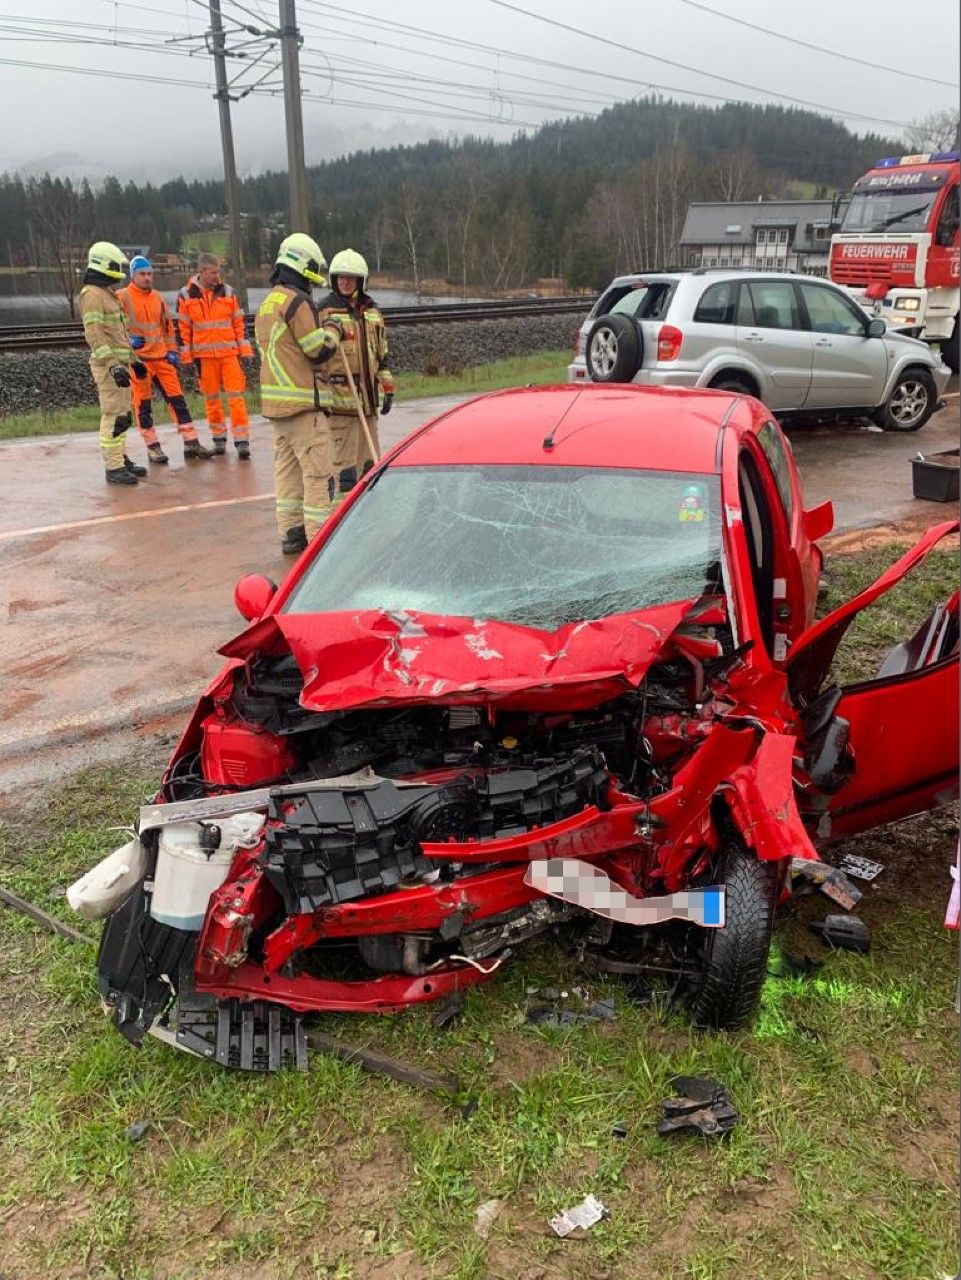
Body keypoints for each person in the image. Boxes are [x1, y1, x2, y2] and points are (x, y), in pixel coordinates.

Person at [254, 233, 351, 554]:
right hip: (304, 407)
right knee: (319, 475)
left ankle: (292, 535)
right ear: (303, 264)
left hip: (277, 406)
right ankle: (319, 543)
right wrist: (334, 330)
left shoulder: (268, 302)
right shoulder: (298, 301)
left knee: (288, 476)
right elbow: (316, 349)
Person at [118, 256, 215, 464]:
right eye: (142, 274)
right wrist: (127, 342)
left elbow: (168, 328)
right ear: (133, 276)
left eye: (149, 274)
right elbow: (112, 327)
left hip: (161, 358)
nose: (146, 278)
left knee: (178, 400)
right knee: (143, 405)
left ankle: (191, 443)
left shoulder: (158, 298)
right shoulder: (123, 297)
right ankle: (153, 447)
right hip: (139, 361)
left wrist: (172, 351)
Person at [317, 248, 393, 498]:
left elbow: (381, 354)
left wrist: (387, 386)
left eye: (350, 277)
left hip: (367, 403)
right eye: (340, 277)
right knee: (345, 471)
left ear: (361, 280)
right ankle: (341, 517)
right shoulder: (325, 312)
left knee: (371, 467)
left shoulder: (372, 313)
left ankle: (366, 512)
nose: (345, 282)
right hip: (340, 404)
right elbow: (315, 356)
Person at [77, 240, 148, 486]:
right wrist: (112, 364)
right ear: (104, 264)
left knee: (124, 414)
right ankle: (113, 466)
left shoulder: (107, 293)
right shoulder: (92, 295)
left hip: (120, 365)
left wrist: (134, 360)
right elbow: (94, 333)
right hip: (108, 367)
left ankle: (120, 458)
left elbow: (119, 335)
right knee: (113, 414)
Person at [175, 252, 253, 458]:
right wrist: (186, 357)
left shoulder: (228, 292)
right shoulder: (186, 294)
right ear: (201, 271)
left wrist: (244, 350)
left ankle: (241, 439)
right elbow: (183, 328)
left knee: (236, 397)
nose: (217, 277)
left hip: (229, 354)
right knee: (212, 399)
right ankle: (218, 437)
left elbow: (239, 322)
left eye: (218, 272)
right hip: (204, 357)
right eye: (212, 273)